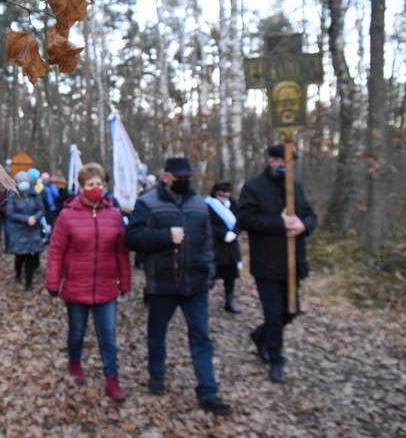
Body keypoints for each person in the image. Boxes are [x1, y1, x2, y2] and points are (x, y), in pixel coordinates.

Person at [125, 157, 233, 415]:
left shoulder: (199, 205)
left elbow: (208, 243)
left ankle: (208, 392)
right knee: (156, 334)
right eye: (179, 178)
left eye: (187, 178)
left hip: (195, 286)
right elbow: (132, 238)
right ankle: (157, 375)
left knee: (201, 338)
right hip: (162, 284)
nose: (184, 182)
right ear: (166, 177)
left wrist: (208, 276)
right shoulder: (147, 203)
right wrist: (165, 236)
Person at [45, 162, 132, 401]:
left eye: (99, 184)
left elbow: (121, 253)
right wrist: (53, 282)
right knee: (77, 332)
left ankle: (112, 380)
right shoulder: (67, 214)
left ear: (104, 185)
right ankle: (75, 363)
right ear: (82, 186)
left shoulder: (114, 214)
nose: (96, 188)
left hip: (106, 287)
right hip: (76, 286)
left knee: (108, 336)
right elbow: (56, 250)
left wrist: (125, 282)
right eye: (90, 184)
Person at [236, 144, 317, 384]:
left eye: (292, 163)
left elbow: (311, 215)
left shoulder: (297, 188)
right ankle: (276, 360)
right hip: (267, 263)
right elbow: (245, 219)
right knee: (273, 315)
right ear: (273, 161)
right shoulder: (253, 187)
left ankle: (260, 336)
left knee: (290, 311)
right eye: (285, 161)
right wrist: (279, 223)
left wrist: (304, 225)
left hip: (294, 264)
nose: (288, 167)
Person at [205, 181, 243, 314]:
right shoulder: (209, 204)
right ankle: (204, 299)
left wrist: (235, 233)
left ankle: (229, 300)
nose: (225, 195)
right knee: (211, 274)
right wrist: (223, 234)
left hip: (231, 245)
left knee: (230, 276)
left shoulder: (235, 204)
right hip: (216, 244)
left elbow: (241, 220)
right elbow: (207, 223)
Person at [6, 171, 45, 291]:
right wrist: (25, 219)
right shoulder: (13, 195)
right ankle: (18, 273)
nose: (24, 183)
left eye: (25, 181)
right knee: (20, 256)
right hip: (19, 231)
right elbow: (10, 213)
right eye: (21, 181)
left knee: (30, 256)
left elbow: (41, 209)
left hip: (33, 231)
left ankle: (29, 282)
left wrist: (35, 218)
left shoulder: (35, 194)